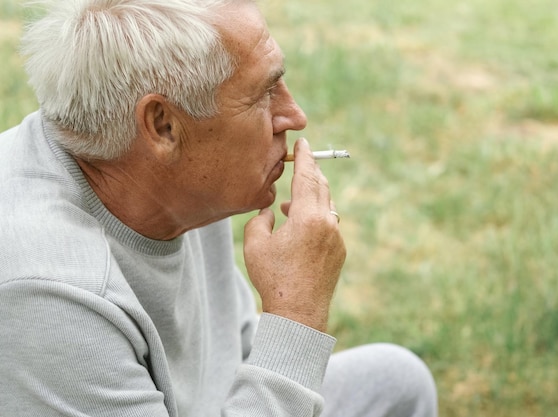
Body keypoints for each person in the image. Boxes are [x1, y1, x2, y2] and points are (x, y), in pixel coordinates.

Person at [0, 0, 438, 416]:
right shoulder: (52, 296)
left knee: (395, 383)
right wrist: (297, 313)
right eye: (265, 93)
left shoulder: (174, 177)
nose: (294, 115)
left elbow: (231, 360)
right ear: (163, 126)